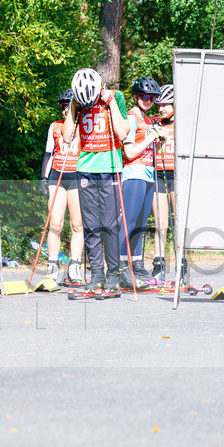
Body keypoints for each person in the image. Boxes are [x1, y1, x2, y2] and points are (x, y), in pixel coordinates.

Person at [63, 67, 130, 296]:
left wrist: (110, 103)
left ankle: (114, 274)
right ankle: (97, 274)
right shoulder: (78, 103)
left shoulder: (116, 97)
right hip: (85, 169)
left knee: (110, 224)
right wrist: (73, 107)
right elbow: (66, 136)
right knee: (91, 225)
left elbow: (123, 133)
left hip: (110, 168)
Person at [39, 89, 83, 285]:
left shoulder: (84, 126)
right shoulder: (55, 126)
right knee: (55, 223)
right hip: (57, 176)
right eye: (64, 106)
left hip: (76, 176)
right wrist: (43, 178)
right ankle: (52, 266)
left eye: (71, 106)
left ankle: (74, 266)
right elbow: (49, 153)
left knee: (77, 224)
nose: (67, 110)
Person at [121, 76, 162, 285]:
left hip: (148, 173)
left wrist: (158, 140)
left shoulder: (147, 120)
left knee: (141, 223)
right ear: (136, 96)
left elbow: (149, 149)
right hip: (133, 173)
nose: (148, 101)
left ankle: (136, 264)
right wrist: (150, 137)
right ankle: (121, 266)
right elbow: (128, 153)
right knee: (128, 222)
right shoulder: (131, 118)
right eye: (145, 96)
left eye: (153, 98)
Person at [150, 84, 176, 282]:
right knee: (160, 222)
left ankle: (182, 262)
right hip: (158, 173)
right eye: (159, 105)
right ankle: (158, 264)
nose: (161, 109)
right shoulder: (155, 123)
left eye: (165, 105)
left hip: (177, 175)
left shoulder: (182, 124)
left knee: (179, 220)